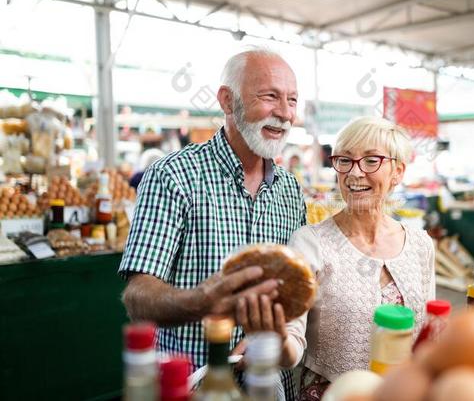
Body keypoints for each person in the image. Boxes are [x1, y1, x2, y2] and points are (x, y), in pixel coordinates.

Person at [118, 47, 306, 399]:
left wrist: (272, 333)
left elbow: (291, 295)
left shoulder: (291, 190)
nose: (284, 113)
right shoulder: (173, 176)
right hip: (190, 385)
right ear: (226, 100)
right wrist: (204, 299)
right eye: (270, 97)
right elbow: (137, 295)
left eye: (292, 100)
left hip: (266, 383)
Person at [259, 116, 436, 400]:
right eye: (345, 160)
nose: (354, 173)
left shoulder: (420, 244)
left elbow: (427, 332)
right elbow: (292, 343)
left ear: (398, 171)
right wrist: (275, 336)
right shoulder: (310, 244)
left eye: (370, 161)